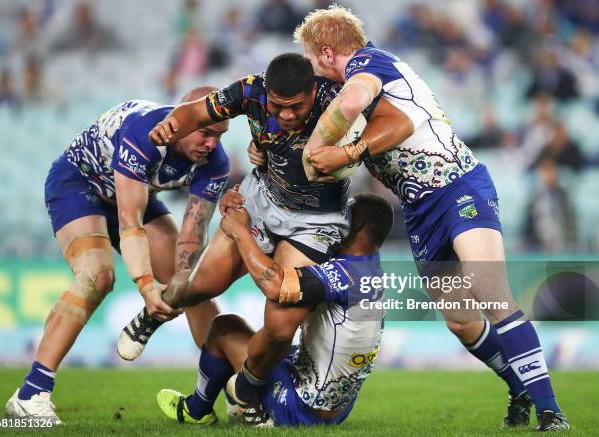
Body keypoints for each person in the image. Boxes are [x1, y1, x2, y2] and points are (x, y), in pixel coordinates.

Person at [294, 5, 569, 432]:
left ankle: (551, 412)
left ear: (328, 52)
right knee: (461, 320)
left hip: (459, 186)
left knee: (491, 294)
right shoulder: (351, 81)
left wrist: (325, 153)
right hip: (421, 209)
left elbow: (356, 103)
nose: (313, 70)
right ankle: (520, 387)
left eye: (313, 60)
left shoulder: (369, 63)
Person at [117, 53, 401, 360]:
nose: (287, 114)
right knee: (201, 285)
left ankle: (248, 394)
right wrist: (172, 123)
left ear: (311, 91)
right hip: (260, 200)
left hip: (316, 222)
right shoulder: (250, 90)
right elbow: (195, 112)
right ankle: (153, 314)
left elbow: (399, 120)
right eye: (277, 106)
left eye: (296, 106)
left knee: (280, 325)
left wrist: (351, 152)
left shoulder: (337, 96)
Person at [5, 88, 229, 424]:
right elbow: (130, 222)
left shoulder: (215, 163)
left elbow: (192, 238)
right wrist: (146, 286)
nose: (212, 144)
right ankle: (30, 394)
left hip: (131, 193)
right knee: (98, 276)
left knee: (195, 285)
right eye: (206, 133)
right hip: (79, 185)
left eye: (219, 135)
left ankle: (237, 391)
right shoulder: (147, 132)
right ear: (183, 119)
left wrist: (181, 283)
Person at [155, 192, 392, 427]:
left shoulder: (344, 274)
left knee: (224, 327)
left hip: (300, 408)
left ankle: (199, 410)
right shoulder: (371, 270)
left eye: (344, 214)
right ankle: (243, 397)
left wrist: (239, 232)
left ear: (356, 224)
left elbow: (276, 286)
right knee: (276, 341)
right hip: (335, 408)